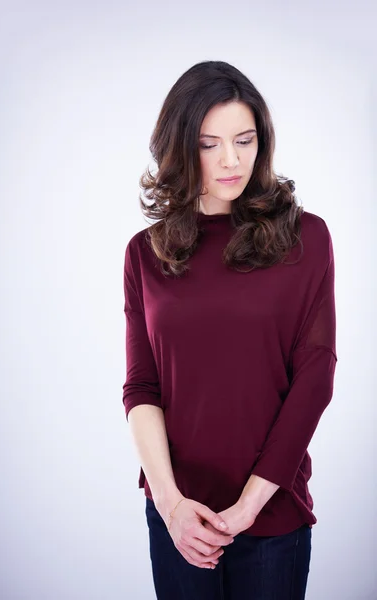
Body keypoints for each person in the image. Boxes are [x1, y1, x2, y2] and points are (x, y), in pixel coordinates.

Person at [121, 60, 337, 599]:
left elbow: (316, 375)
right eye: (209, 143)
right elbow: (141, 388)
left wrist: (248, 506)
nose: (231, 160)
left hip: (270, 514)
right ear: (179, 148)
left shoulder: (305, 238)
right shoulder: (144, 253)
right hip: (180, 517)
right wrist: (170, 506)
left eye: (244, 140)